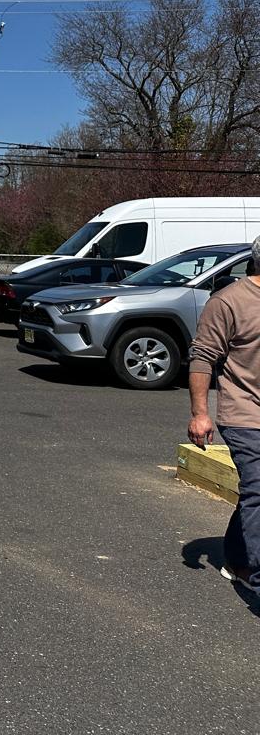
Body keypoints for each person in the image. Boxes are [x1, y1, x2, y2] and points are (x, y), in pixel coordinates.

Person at [187, 239, 260, 597]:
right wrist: (200, 414)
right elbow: (202, 358)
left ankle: (236, 557)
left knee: (255, 492)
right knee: (259, 490)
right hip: (244, 413)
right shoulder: (228, 302)